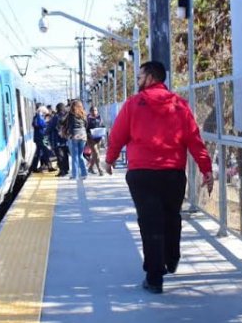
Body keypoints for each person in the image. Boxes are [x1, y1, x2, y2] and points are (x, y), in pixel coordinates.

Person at [105, 61, 213, 294]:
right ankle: (171, 257)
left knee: (149, 222)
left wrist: (110, 159)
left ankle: (154, 277)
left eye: (140, 76)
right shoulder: (180, 105)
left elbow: (117, 135)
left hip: (141, 173)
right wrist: (206, 168)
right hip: (172, 173)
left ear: (152, 77)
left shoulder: (133, 104)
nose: (138, 81)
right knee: (171, 217)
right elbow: (194, 139)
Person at [64, 99, 89, 179]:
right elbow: (86, 124)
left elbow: (70, 126)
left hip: (74, 135)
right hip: (83, 135)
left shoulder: (71, 115)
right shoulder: (83, 114)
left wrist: (70, 134)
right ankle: (84, 173)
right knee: (80, 155)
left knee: (74, 156)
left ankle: (74, 175)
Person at [47, 102, 70, 177]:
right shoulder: (68, 116)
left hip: (57, 139)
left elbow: (50, 128)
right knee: (65, 155)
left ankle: (62, 171)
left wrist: (45, 132)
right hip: (66, 139)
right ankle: (66, 169)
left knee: (60, 155)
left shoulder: (55, 117)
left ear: (57, 109)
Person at [30, 105, 54, 172]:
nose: (45, 114)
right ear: (42, 111)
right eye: (44, 113)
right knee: (46, 151)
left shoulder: (37, 117)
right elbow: (41, 125)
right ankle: (49, 167)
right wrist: (46, 122)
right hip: (42, 137)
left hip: (40, 137)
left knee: (39, 153)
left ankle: (35, 167)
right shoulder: (39, 117)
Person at [85, 106, 105, 175]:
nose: (94, 112)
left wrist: (102, 132)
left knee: (94, 154)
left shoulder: (99, 118)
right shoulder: (87, 119)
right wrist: (89, 134)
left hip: (98, 138)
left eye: (95, 110)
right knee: (96, 153)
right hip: (90, 139)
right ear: (90, 111)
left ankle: (90, 168)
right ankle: (100, 169)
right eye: (93, 110)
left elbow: (103, 126)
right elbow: (85, 129)